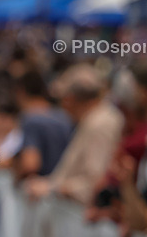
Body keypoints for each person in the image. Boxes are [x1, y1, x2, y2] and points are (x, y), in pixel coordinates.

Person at [25, 64, 123, 204]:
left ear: (69, 99)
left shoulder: (100, 124)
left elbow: (94, 180)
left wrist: (52, 188)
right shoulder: (92, 120)